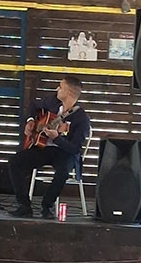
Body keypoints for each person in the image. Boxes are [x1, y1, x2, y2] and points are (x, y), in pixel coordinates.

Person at [8, 76, 90, 219]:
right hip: (44, 148)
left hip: (64, 152)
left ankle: (47, 206)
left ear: (68, 92)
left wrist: (57, 138)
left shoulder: (81, 119)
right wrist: (31, 120)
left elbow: (75, 148)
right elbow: (34, 105)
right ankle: (24, 205)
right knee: (15, 162)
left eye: (60, 87)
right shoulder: (52, 102)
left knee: (63, 171)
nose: (57, 89)